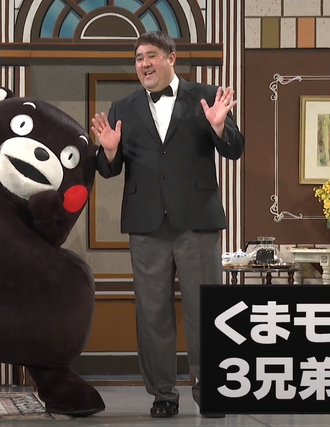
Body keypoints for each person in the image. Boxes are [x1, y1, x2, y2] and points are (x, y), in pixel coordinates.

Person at [90, 31, 244, 419]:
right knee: (152, 312)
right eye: (138, 58)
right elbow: (109, 170)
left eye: (151, 55)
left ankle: (211, 388)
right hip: (146, 225)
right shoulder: (123, 106)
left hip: (197, 221)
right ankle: (162, 393)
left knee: (204, 309)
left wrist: (219, 127)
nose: (144, 63)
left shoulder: (205, 96)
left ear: (171, 58)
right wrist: (109, 151)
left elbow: (235, 149)